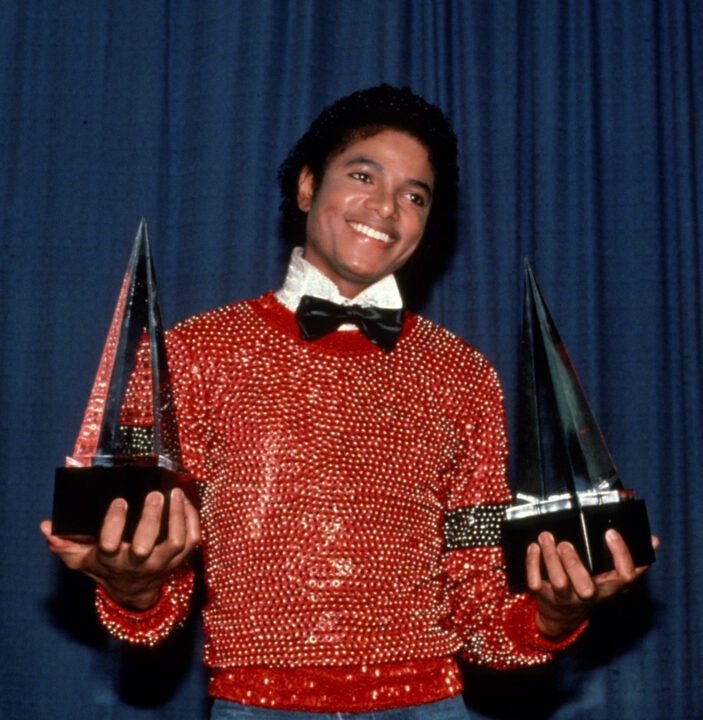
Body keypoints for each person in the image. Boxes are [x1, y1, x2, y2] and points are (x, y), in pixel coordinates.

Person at [41, 85, 656, 719]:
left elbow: (482, 619)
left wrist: (554, 613)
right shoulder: (194, 353)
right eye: (363, 175)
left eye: (414, 195)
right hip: (252, 708)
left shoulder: (463, 374)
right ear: (307, 187)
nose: (386, 208)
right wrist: (133, 583)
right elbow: (155, 605)